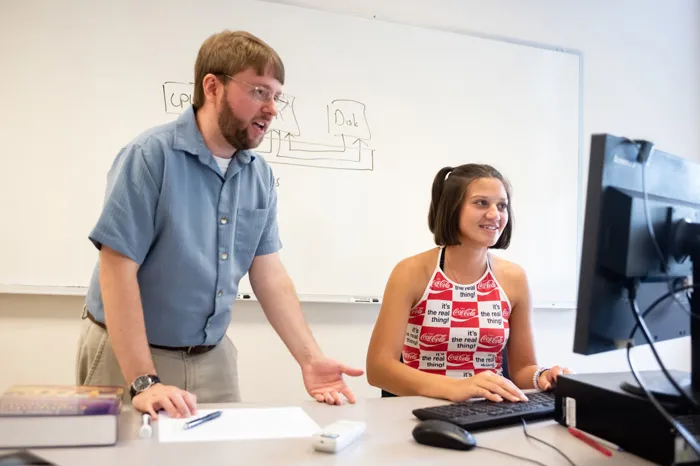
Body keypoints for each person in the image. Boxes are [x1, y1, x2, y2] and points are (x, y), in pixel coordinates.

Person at [75, 30, 363, 419]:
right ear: (213, 87)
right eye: (259, 91)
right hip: (127, 355)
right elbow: (117, 269)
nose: (272, 109)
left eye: (277, 96)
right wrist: (143, 380)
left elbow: (269, 273)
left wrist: (310, 360)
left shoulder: (257, 174)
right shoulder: (150, 156)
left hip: (212, 356)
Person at [366, 164, 572, 402]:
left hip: (486, 410)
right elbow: (378, 369)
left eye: (502, 205)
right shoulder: (410, 272)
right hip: (418, 411)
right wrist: (455, 387)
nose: (495, 214)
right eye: (481, 203)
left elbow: (522, 369)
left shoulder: (515, 278)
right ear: (453, 208)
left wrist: (542, 376)